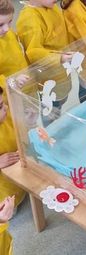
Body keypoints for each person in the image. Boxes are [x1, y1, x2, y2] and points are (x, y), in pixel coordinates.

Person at [16, 0, 73, 126]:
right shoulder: (30, 18)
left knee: (59, 102)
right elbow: (33, 51)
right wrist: (59, 58)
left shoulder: (51, 7)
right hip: (49, 79)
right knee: (51, 110)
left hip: (62, 71)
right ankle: (51, 135)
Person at [0, 0, 26, 208]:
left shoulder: (8, 35)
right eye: (0, 25)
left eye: (10, 22)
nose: (7, 29)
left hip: (12, 96)